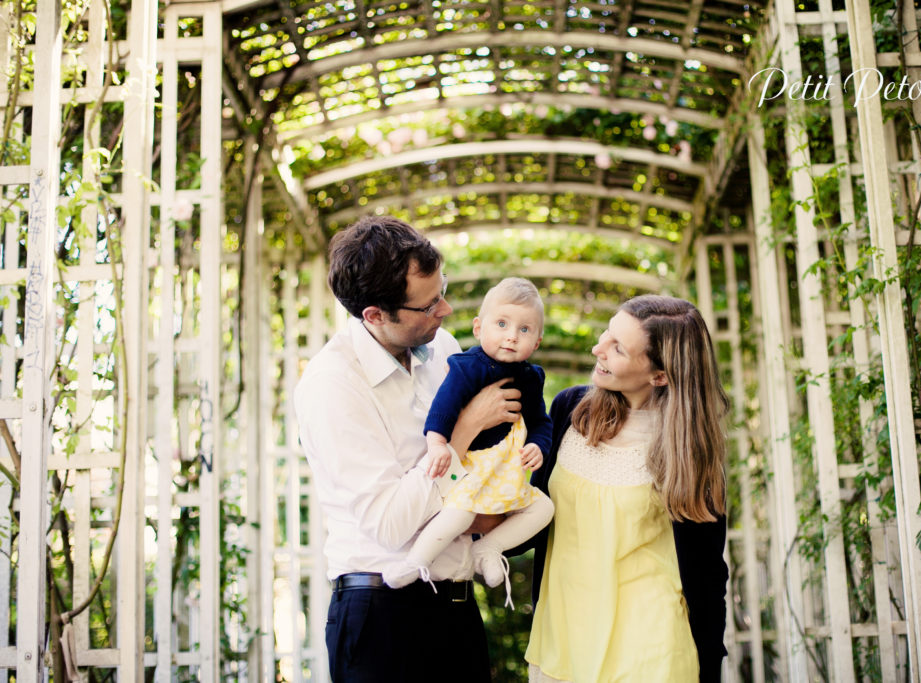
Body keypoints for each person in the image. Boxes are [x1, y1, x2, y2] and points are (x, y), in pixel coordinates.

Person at [294, 215, 521, 682]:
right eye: (428, 305)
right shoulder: (332, 384)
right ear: (375, 315)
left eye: (442, 291)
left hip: (456, 608)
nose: (447, 310)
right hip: (383, 619)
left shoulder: (443, 350)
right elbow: (390, 524)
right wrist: (463, 430)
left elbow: (477, 476)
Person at [523, 295, 730, 683]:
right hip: (563, 636)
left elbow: (706, 575)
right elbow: (531, 515)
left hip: (651, 649)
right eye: (607, 334)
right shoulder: (570, 410)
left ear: (660, 375)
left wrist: (710, 668)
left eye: (618, 348)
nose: (597, 348)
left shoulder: (688, 451)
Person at [383, 278, 555, 605]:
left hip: (506, 474)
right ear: (479, 328)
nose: (511, 336)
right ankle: (415, 561)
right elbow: (443, 409)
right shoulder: (467, 367)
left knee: (543, 507)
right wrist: (436, 444)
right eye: (502, 324)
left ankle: (489, 548)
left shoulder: (532, 378)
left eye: (524, 330)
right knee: (459, 513)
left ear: (537, 341)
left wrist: (538, 445)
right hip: (471, 469)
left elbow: (540, 421)